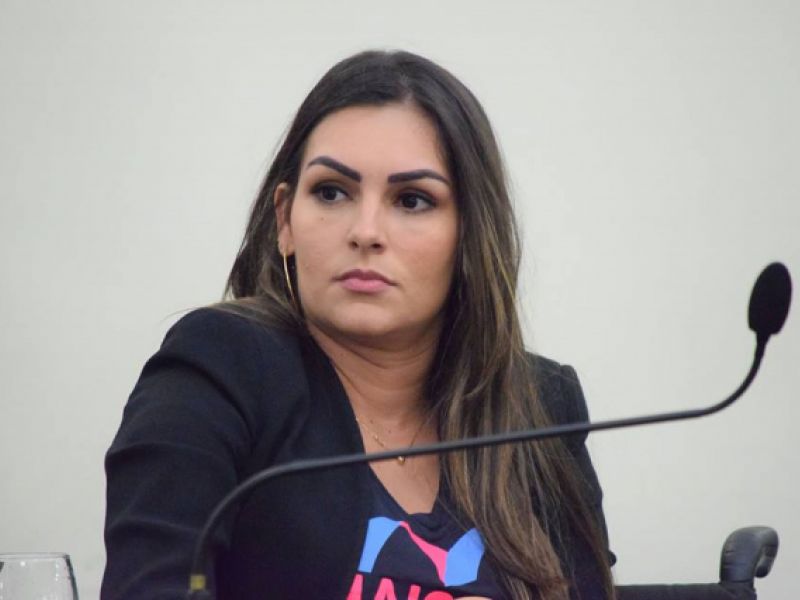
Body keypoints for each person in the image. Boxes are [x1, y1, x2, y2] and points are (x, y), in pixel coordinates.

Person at [102, 50, 615, 600]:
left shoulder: (540, 404)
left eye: (412, 200)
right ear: (285, 220)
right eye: (331, 192)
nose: (365, 231)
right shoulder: (220, 366)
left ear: (469, 235)